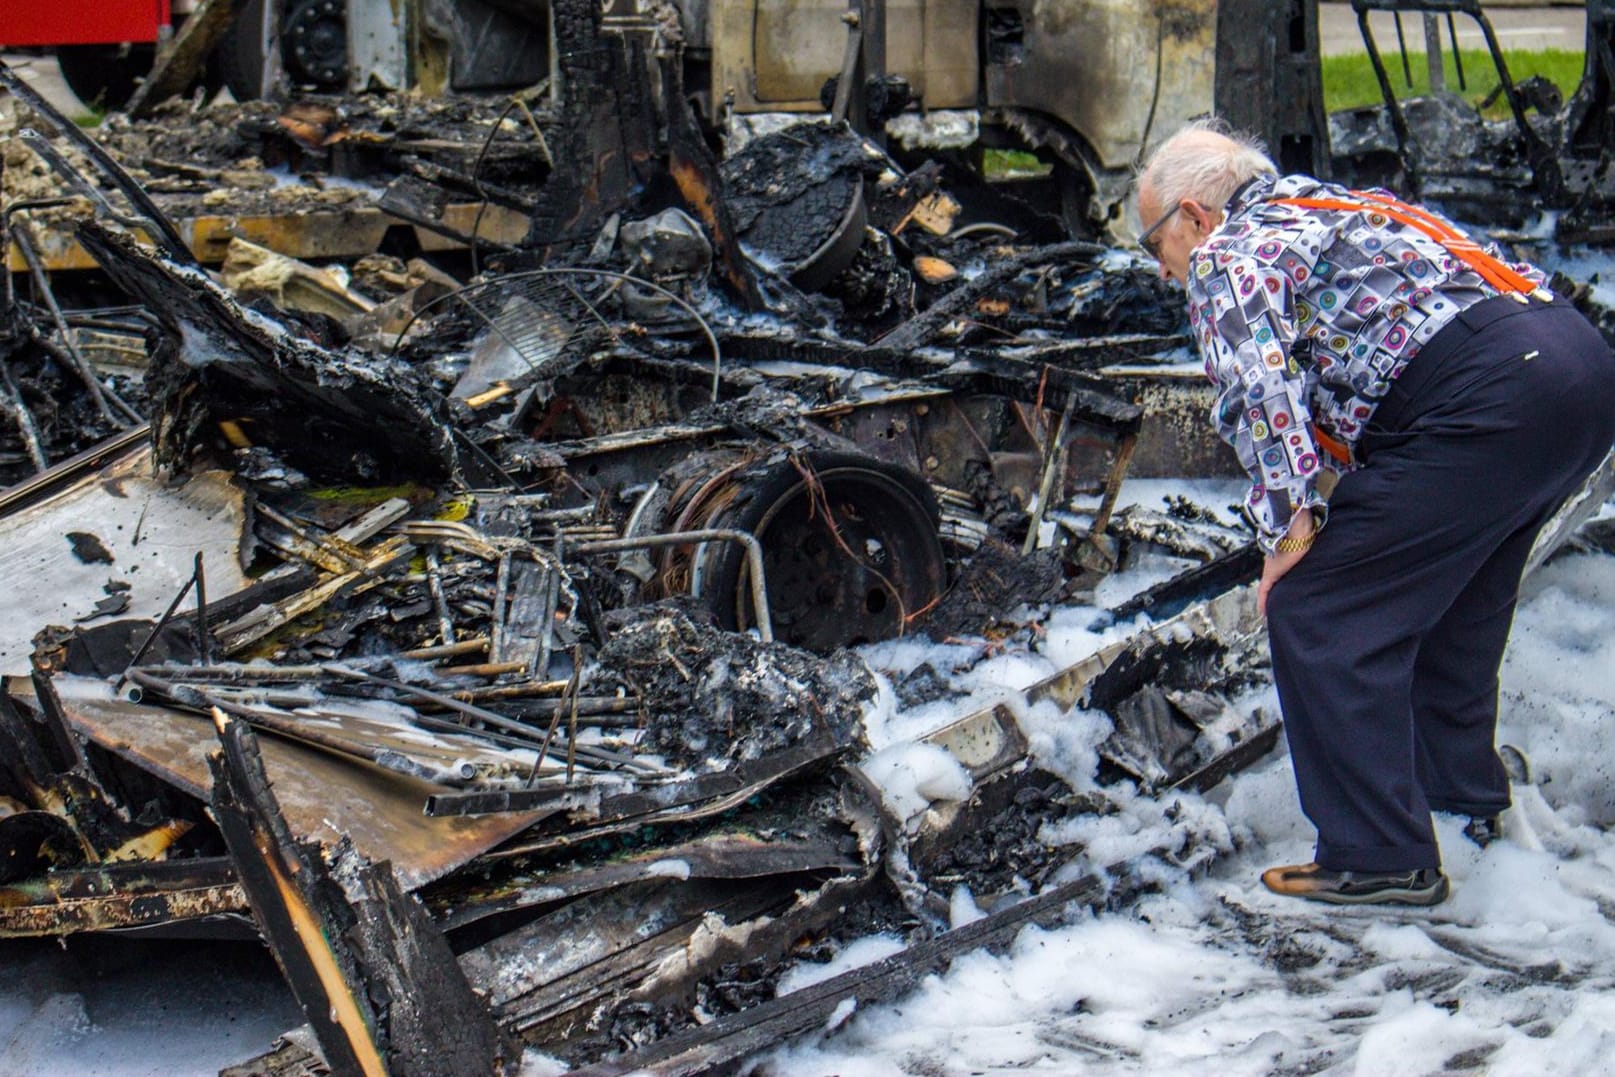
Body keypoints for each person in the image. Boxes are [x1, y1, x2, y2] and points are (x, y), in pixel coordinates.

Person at [1134, 119, 1615, 906]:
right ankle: (1461, 801)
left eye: (1155, 246)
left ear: (1192, 215)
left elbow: (1258, 392)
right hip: (1573, 369)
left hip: (1483, 397)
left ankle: (1378, 854)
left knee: (1320, 608)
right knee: (1454, 605)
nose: (1161, 271)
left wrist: (1287, 534)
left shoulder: (1226, 253)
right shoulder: (1328, 206)